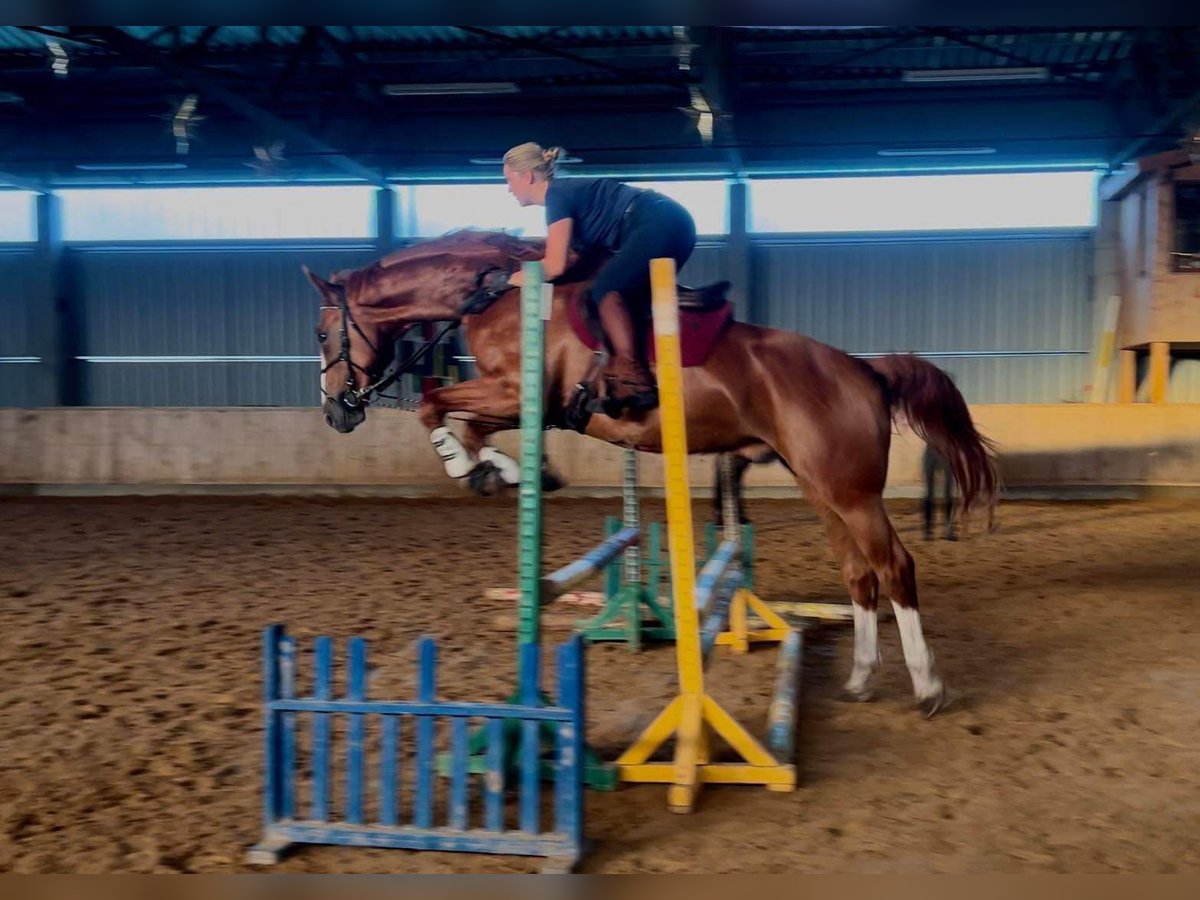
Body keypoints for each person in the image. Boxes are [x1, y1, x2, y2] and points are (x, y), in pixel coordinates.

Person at [501, 142, 697, 413]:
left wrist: (508, 281)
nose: (508, 188)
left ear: (527, 176)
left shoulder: (557, 196)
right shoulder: (566, 197)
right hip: (668, 221)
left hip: (657, 220)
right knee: (618, 295)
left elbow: (554, 266)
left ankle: (634, 378)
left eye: (509, 180)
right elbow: (572, 264)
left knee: (605, 290)